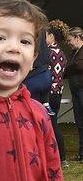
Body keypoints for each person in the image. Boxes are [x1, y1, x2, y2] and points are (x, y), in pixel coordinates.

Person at [0, 0, 62, 180]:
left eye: (25, 41)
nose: (14, 47)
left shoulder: (39, 112)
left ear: (34, 58)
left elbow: (53, 167)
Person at [6, 0, 52, 107]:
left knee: (24, 117)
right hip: (45, 74)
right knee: (41, 117)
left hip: (30, 76)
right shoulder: (36, 17)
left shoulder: (14, 19)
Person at [46, 19, 69, 167]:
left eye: (46, 35)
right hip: (58, 92)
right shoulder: (62, 54)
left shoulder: (47, 53)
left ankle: (56, 157)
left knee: (49, 126)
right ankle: (62, 158)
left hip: (49, 92)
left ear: (52, 36)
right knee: (54, 125)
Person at [66, 26, 83, 162]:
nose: (69, 43)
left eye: (70, 40)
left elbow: (78, 66)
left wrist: (68, 68)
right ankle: (82, 153)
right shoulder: (74, 53)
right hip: (76, 91)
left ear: (78, 38)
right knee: (80, 123)